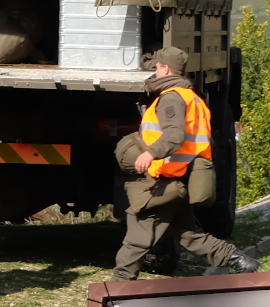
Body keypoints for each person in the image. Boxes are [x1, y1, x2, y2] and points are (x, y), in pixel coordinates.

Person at [111, 47, 261, 281]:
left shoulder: (171, 98)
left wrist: (149, 153)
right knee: (190, 235)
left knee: (135, 243)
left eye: (158, 66)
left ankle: (111, 300)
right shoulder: (193, 98)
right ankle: (241, 261)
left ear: (166, 68)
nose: (155, 70)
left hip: (166, 181)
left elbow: (173, 135)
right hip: (181, 178)